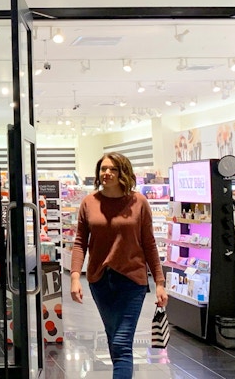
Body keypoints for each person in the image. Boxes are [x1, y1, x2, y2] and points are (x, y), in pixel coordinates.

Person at [70, 152, 166, 379]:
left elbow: (149, 243)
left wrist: (160, 282)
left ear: (122, 172)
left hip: (132, 280)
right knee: (114, 337)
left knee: (122, 342)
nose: (107, 173)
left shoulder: (138, 202)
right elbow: (80, 242)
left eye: (112, 169)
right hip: (99, 280)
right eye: (103, 168)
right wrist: (75, 277)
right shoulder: (89, 203)